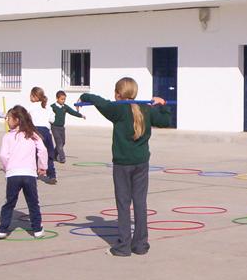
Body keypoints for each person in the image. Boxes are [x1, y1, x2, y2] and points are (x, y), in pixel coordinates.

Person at [79, 77, 171, 257]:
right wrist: (162, 104)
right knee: (140, 203)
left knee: (123, 204)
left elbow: (100, 102)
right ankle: (140, 245)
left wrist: (84, 96)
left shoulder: (117, 109)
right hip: (141, 164)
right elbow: (165, 120)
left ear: (118, 94)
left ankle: (123, 247)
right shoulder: (146, 109)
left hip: (122, 165)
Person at [0, 106, 48, 239]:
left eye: (9, 118)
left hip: (13, 174)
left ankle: (2, 229)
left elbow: (3, 155)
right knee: (33, 203)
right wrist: (43, 166)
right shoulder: (32, 134)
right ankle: (37, 229)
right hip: (29, 174)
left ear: (17, 120)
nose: (7, 121)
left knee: (10, 202)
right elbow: (42, 150)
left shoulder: (7, 136)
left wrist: (7, 168)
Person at [27, 86, 58, 184]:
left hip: (35, 131)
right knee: (49, 154)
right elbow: (52, 120)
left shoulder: (30, 107)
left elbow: (26, 118)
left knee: (34, 153)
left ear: (35, 96)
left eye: (31, 95)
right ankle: (52, 175)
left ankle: (33, 173)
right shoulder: (48, 108)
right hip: (46, 132)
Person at [50, 90, 85, 163]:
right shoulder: (53, 107)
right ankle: (62, 158)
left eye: (64, 99)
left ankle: (53, 155)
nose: (63, 101)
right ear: (57, 98)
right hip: (54, 127)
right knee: (59, 143)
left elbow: (72, 112)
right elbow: (46, 114)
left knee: (63, 142)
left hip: (62, 128)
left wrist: (81, 115)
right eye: (62, 99)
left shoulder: (65, 107)